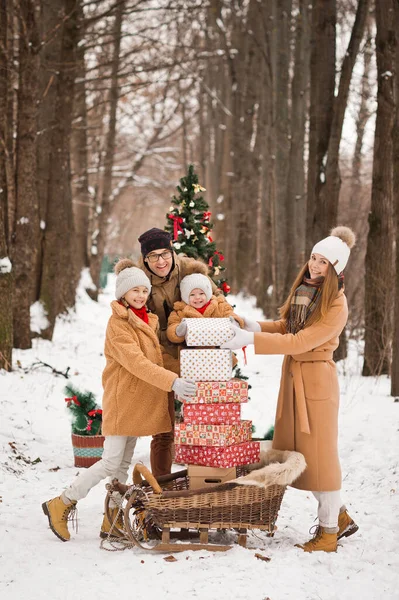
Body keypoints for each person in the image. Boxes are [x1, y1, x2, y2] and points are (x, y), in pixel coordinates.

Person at [221, 226, 359, 553]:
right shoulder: (306, 292)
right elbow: (288, 328)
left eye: (323, 261)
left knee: (320, 459)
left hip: (316, 384)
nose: (314, 265)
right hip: (295, 381)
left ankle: (327, 533)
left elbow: (301, 341)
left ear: (336, 268)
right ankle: (338, 517)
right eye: (313, 257)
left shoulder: (336, 304)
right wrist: (254, 326)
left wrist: (251, 341)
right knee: (300, 456)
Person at [42, 259, 196, 542]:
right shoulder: (118, 324)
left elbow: (156, 360)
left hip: (139, 405)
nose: (140, 295)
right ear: (122, 293)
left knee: (122, 465)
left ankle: (111, 519)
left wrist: (189, 370)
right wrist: (171, 382)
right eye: (134, 290)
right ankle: (62, 502)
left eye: (144, 290)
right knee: (110, 463)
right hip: (124, 401)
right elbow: (137, 363)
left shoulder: (147, 319)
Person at [138, 227, 221, 477]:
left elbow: (217, 299)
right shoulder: (139, 281)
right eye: (153, 256)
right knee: (163, 429)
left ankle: (204, 482)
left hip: (198, 355)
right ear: (145, 259)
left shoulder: (190, 272)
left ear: (173, 252)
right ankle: (161, 487)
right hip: (159, 356)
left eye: (165, 253)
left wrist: (233, 323)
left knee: (204, 422)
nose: (161, 261)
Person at [166, 271, 244, 350]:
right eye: (192, 295)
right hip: (191, 354)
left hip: (219, 351)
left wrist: (234, 322)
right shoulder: (180, 311)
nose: (197, 297)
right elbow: (171, 327)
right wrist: (178, 331)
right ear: (185, 297)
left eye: (201, 293)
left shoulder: (219, 305)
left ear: (208, 293)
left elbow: (228, 312)